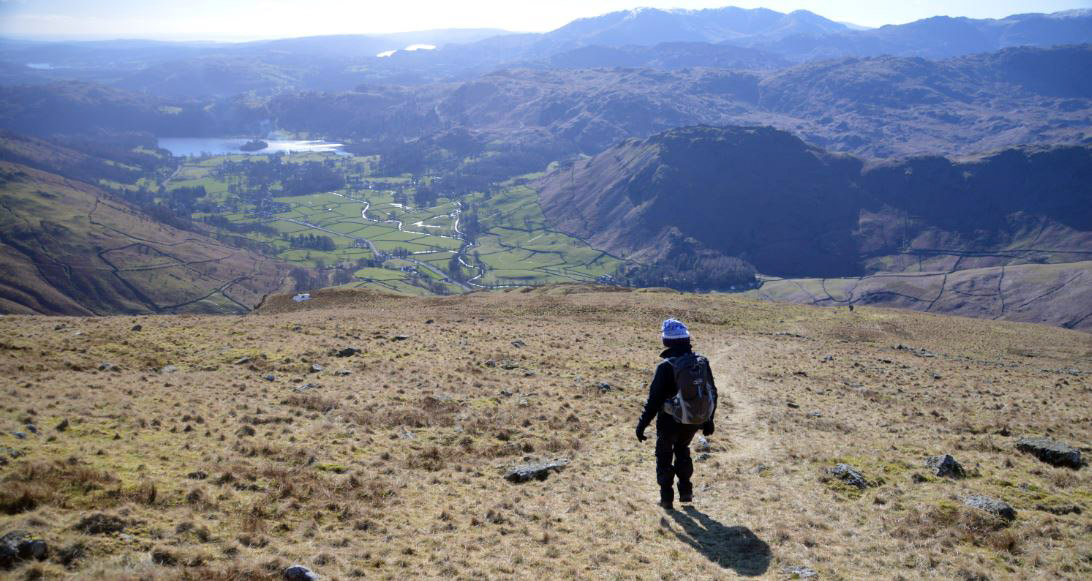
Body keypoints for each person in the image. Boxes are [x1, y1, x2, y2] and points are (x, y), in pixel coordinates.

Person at [635, 318, 718, 510]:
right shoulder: (701, 363)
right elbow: (712, 392)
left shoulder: (665, 367)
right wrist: (709, 420)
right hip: (692, 420)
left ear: (667, 342)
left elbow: (653, 401)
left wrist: (641, 425)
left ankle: (666, 499)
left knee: (664, 455)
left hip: (668, 421)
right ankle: (686, 493)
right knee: (682, 450)